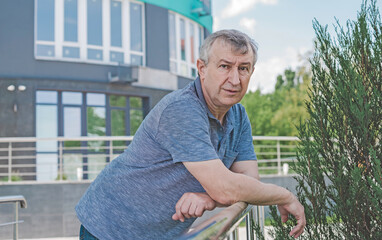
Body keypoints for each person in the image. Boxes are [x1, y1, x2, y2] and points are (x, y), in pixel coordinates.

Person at [75, 29, 306, 239]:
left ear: (252, 72)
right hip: (110, 227)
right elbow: (227, 189)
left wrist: (208, 198)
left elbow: (248, 180)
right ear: (202, 68)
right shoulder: (182, 109)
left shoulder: (238, 115)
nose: (235, 80)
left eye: (243, 68)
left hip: (161, 233)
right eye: (225, 66)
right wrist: (285, 195)